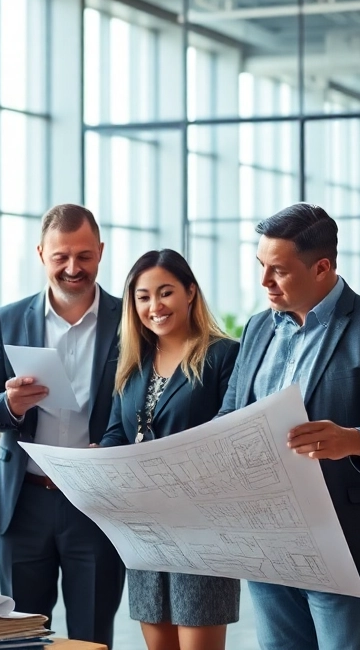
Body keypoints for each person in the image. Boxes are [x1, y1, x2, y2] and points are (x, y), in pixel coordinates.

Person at [216, 203, 360, 650]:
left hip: (346, 539)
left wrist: (353, 440)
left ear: (322, 267)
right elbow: (229, 415)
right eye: (260, 267)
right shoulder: (257, 329)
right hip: (270, 537)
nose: (264, 282)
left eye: (278, 270)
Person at [0, 204, 126, 648]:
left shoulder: (127, 320)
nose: (73, 268)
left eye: (84, 255)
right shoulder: (10, 318)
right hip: (24, 503)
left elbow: (138, 404)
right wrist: (11, 404)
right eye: (61, 257)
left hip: (94, 503)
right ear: (41, 254)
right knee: (18, 636)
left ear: (100, 251)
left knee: (92, 634)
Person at [100, 249, 240, 650]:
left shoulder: (222, 355)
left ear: (190, 293)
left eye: (166, 293)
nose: (154, 306)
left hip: (201, 529)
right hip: (144, 530)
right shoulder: (133, 361)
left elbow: (229, 435)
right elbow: (116, 433)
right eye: (143, 297)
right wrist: (100, 461)